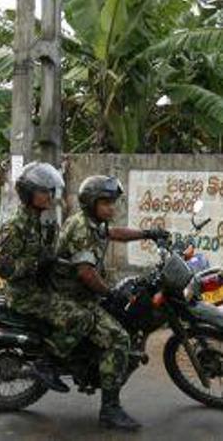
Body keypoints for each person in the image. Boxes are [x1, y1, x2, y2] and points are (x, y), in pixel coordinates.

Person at [54, 175, 168, 431]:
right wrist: (110, 293)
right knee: (118, 339)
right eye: (106, 202)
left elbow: (116, 233)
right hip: (73, 297)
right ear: (92, 202)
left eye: (112, 202)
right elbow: (85, 273)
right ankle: (110, 410)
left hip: (81, 292)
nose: (111, 208)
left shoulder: (93, 222)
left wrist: (148, 233)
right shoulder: (83, 227)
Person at [0, 161, 71, 393]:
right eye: (43, 191)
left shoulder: (41, 222)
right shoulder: (16, 227)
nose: (49, 195)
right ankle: (46, 364)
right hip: (24, 295)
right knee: (80, 317)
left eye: (49, 190)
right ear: (29, 193)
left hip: (40, 288)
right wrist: (34, 264)